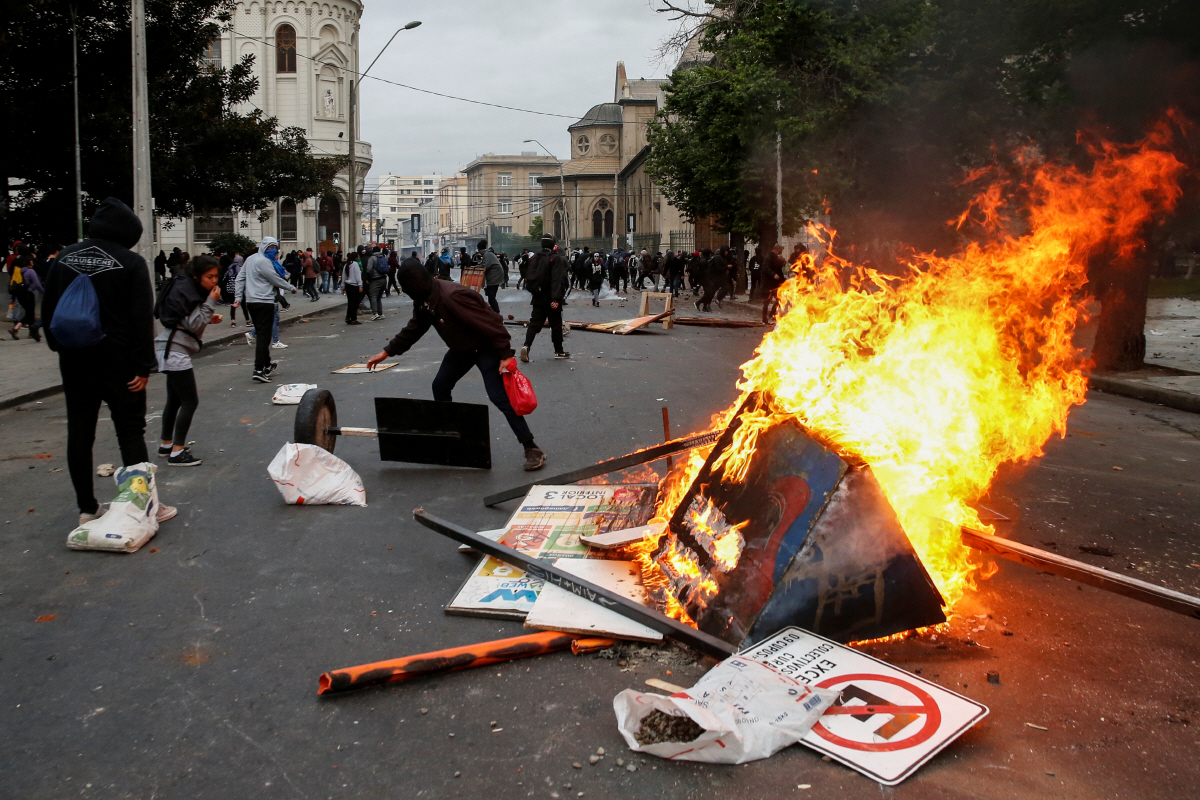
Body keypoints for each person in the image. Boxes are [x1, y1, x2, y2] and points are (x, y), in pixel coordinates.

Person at [41, 196, 177, 526]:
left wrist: (58, 347)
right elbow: (141, 319)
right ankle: (146, 505)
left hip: (75, 362)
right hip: (120, 364)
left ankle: (87, 508)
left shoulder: (64, 258)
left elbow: (48, 310)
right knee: (130, 431)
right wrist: (144, 365)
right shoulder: (129, 262)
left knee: (80, 432)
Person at [364, 263, 547, 471]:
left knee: (500, 397)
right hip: (462, 350)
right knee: (440, 386)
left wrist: (505, 354)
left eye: (407, 289)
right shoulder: (425, 299)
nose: (406, 294)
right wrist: (386, 352)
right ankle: (451, 435)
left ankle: (531, 448)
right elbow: (414, 329)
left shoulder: (452, 296)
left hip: (485, 347)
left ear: (416, 285)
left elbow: (492, 322)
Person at [154, 254, 222, 466]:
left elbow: (189, 321)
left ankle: (166, 444)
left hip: (171, 347)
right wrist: (211, 303)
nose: (214, 281)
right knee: (190, 401)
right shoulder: (187, 292)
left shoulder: (185, 290)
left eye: (216, 277)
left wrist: (208, 317)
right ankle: (177, 452)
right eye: (210, 277)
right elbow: (193, 324)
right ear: (196, 276)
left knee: (174, 400)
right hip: (174, 351)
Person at [234, 236, 296, 382]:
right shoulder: (264, 262)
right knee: (263, 337)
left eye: (274, 247)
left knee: (262, 332)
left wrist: (238, 297)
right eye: (270, 247)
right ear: (264, 247)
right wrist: (291, 287)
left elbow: (240, 278)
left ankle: (267, 364)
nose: (273, 250)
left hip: (251, 302)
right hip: (264, 302)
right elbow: (274, 279)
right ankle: (258, 369)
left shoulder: (250, 259)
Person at [519, 234, 570, 362]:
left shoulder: (535, 256)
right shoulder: (555, 258)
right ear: (553, 244)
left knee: (534, 323)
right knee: (556, 325)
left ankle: (526, 346)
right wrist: (556, 299)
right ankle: (559, 351)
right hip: (550, 297)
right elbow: (556, 280)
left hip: (537, 296)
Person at [8, 251, 43, 341]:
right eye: (31, 260)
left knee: (30, 313)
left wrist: (12, 298)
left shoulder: (17, 272)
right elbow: (38, 285)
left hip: (20, 295)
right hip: (28, 294)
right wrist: (44, 292)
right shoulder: (30, 271)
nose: (32, 262)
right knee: (30, 313)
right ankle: (15, 329)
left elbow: (14, 284)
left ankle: (32, 333)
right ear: (27, 261)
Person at [762, 242, 787, 324]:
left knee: (779, 300)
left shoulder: (777, 257)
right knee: (766, 302)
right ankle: (764, 319)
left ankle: (772, 314)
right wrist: (773, 274)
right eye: (781, 250)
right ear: (777, 249)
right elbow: (766, 268)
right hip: (768, 284)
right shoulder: (768, 257)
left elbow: (779, 268)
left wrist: (783, 262)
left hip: (776, 284)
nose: (782, 252)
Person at [478, 240, 504, 314]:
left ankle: (496, 312)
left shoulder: (487, 254)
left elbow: (485, 266)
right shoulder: (487, 254)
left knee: (491, 297)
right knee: (490, 295)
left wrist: (476, 267)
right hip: (494, 276)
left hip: (495, 276)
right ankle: (493, 312)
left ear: (480, 249)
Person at [364, 246, 388, 320]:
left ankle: (375, 313)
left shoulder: (372, 258)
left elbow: (369, 269)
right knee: (379, 297)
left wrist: (367, 277)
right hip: (384, 279)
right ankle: (380, 313)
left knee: (373, 296)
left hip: (375, 279)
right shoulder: (383, 257)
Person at [342, 249, 364, 325]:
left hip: (348, 285)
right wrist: (360, 285)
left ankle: (349, 317)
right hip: (354, 286)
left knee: (350, 303)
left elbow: (343, 276)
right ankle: (353, 318)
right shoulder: (355, 264)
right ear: (356, 257)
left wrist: (343, 286)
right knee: (355, 303)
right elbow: (358, 276)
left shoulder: (346, 264)